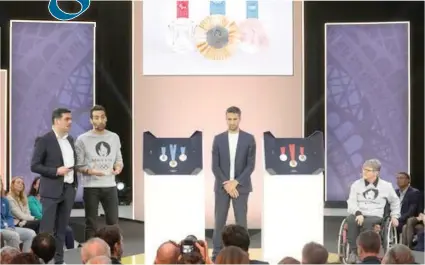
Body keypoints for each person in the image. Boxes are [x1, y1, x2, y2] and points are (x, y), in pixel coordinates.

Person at [30, 108, 78, 264]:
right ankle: (39, 261)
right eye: (67, 119)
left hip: (68, 189)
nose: (70, 122)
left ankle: (59, 261)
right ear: (57, 121)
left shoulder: (70, 139)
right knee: (46, 232)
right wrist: (56, 171)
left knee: (62, 230)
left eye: (71, 119)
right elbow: (35, 166)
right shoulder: (44, 140)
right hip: (51, 192)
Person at [211, 106, 256, 260]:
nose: (231, 122)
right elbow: (214, 166)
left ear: (239, 118)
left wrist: (235, 183)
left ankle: (243, 255)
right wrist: (226, 184)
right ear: (226, 119)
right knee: (219, 222)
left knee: (241, 224)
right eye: (229, 119)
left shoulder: (249, 139)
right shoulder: (218, 139)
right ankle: (216, 255)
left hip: (241, 187)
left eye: (234, 119)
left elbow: (250, 165)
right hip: (222, 187)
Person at [75, 105, 123, 241]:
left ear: (106, 118)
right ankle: (90, 256)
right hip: (91, 187)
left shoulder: (114, 137)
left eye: (102, 117)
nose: (100, 120)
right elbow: (78, 165)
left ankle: (113, 253)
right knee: (91, 224)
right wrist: (91, 171)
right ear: (91, 120)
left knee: (113, 223)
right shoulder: (82, 139)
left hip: (110, 185)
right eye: (96, 117)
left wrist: (118, 167)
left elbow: (119, 159)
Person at [346, 159, 400, 263]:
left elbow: (395, 201)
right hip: (358, 213)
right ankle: (355, 252)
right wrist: (358, 213)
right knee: (351, 220)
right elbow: (351, 202)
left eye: (367, 170)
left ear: (376, 172)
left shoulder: (386, 186)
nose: (364, 172)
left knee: (368, 223)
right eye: (363, 169)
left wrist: (395, 216)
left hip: (375, 214)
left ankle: (367, 253)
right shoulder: (356, 184)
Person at [27, 177, 75, 249]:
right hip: (39, 223)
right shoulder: (31, 199)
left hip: (51, 221)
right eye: (39, 184)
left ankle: (71, 252)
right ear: (34, 186)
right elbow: (38, 214)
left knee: (68, 230)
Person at [0, 178, 36, 252]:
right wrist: (5, 226)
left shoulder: (4, 200)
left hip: (9, 227)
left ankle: (25, 260)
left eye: (0, 184)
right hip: (2, 228)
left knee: (31, 234)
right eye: (18, 182)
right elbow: (19, 215)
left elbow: (9, 216)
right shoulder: (9, 198)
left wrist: (10, 226)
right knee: (14, 235)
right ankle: (15, 261)